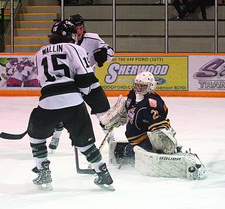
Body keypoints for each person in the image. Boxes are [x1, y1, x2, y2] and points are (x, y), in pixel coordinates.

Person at [29, 19, 114, 191]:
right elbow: (86, 80)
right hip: (74, 102)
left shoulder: (39, 53)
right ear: (69, 35)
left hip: (48, 102)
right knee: (85, 142)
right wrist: (99, 106)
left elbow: (44, 82)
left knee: (36, 136)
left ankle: (43, 169)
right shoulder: (75, 48)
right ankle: (102, 172)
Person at [49, 14, 115, 150]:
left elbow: (110, 51)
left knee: (104, 114)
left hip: (89, 82)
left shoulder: (93, 38)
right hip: (69, 85)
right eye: (76, 29)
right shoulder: (62, 44)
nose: (78, 32)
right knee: (61, 113)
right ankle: (55, 137)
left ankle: (112, 140)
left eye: (80, 28)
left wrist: (104, 54)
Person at [101, 71, 178, 159]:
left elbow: (160, 125)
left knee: (130, 154)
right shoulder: (133, 94)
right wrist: (122, 113)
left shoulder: (151, 103)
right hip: (134, 141)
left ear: (151, 86)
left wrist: (163, 144)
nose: (139, 88)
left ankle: (157, 151)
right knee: (126, 152)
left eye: (143, 86)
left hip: (146, 142)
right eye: (137, 85)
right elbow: (131, 108)